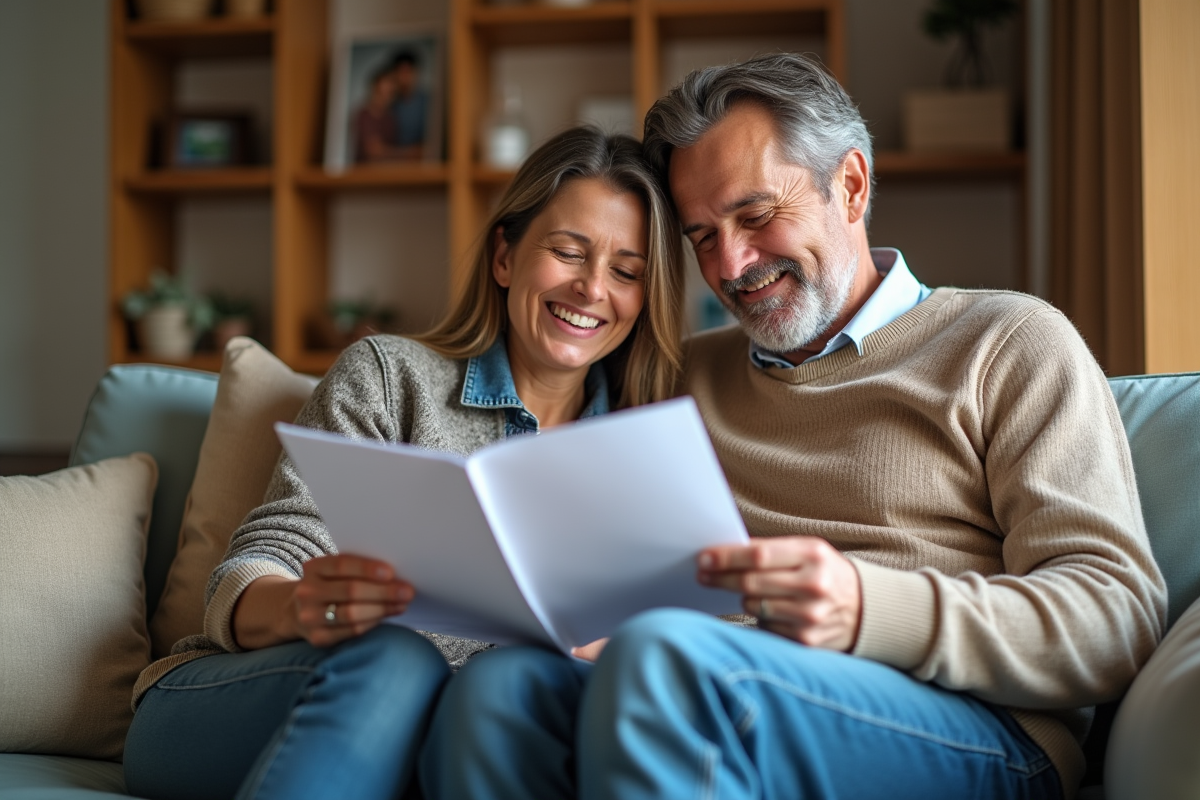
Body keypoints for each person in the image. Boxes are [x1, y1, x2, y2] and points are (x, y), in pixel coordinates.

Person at [420, 53, 1167, 800]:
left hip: (974, 731)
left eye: (755, 215)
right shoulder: (682, 377)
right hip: (696, 681)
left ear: (850, 185)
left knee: (666, 660)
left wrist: (866, 606)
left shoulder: (1007, 343)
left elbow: (1114, 617)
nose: (732, 263)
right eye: (703, 236)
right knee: (501, 685)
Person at [120, 125, 685, 800]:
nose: (593, 289)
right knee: (400, 659)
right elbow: (249, 571)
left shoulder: (640, 454)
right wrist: (306, 605)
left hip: (466, 737)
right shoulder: (391, 377)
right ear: (504, 256)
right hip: (249, 702)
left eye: (626, 272)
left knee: (499, 691)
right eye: (568, 252)